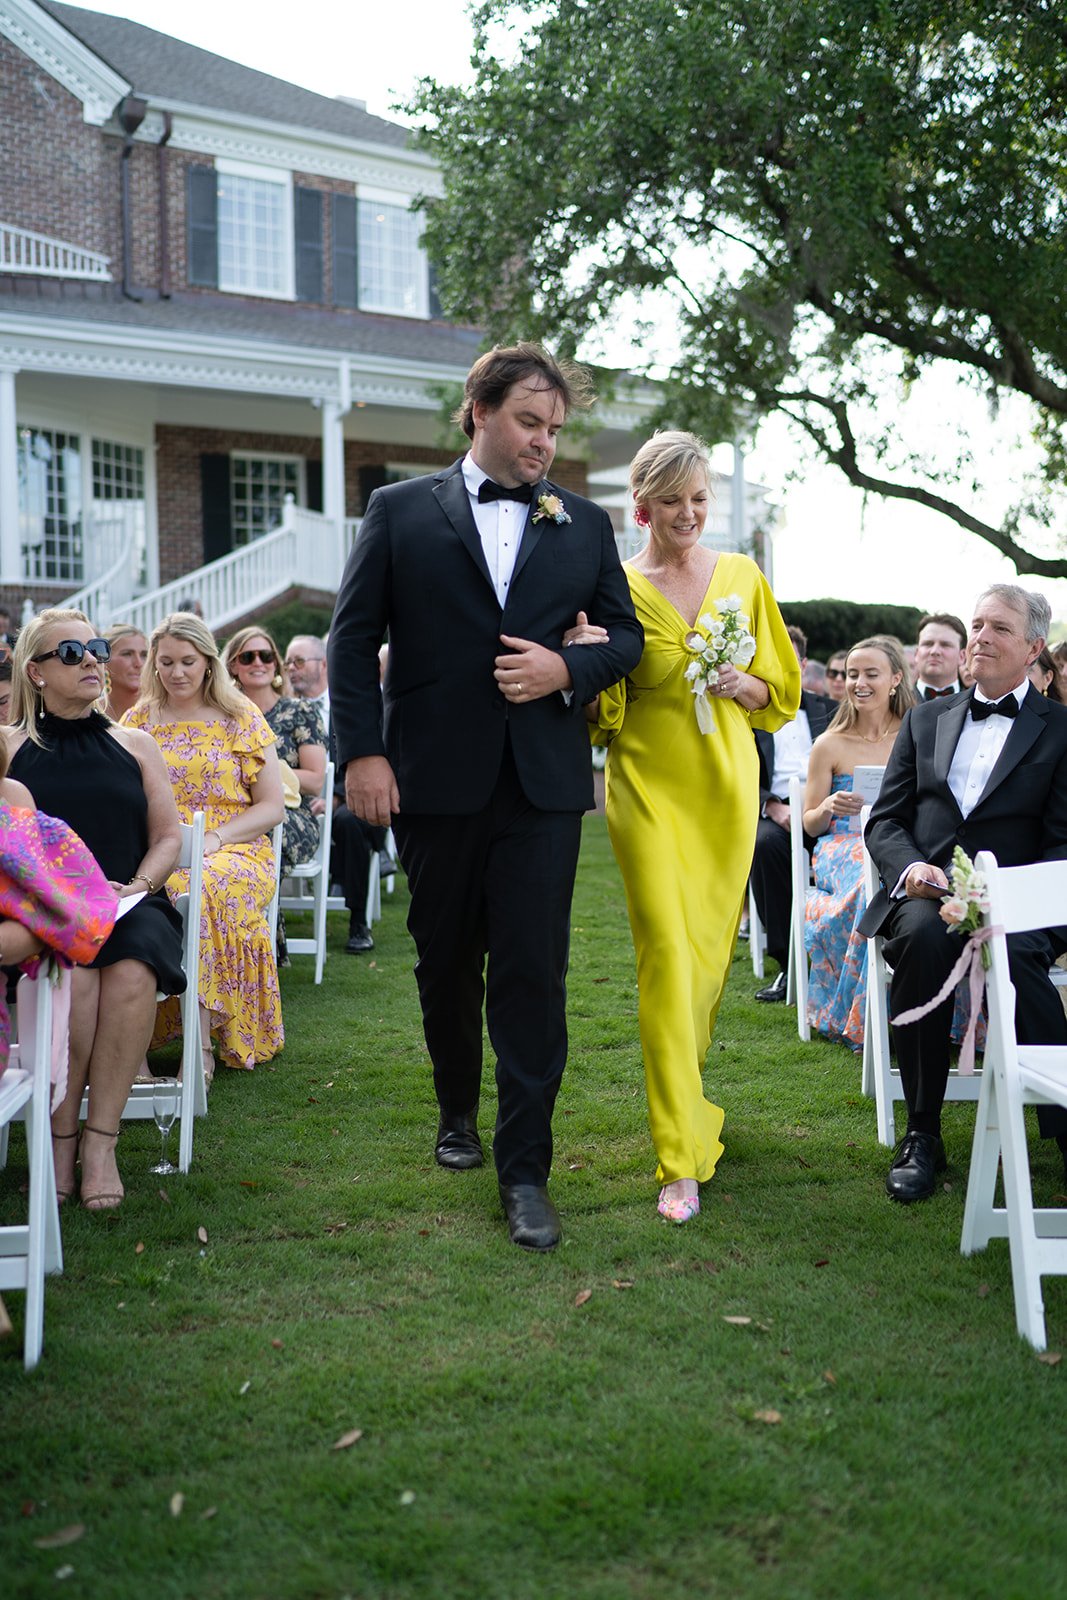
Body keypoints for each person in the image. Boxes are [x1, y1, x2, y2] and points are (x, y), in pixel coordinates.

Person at [328, 341, 644, 1251]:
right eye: (527, 422)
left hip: (542, 788)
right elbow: (352, 645)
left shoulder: (582, 524)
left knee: (533, 976)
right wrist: (364, 757)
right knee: (443, 961)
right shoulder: (397, 511)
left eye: (553, 427)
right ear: (478, 412)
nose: (543, 442)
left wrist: (564, 667)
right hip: (431, 779)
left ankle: (526, 1173)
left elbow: (624, 639)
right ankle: (455, 1111)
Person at [589, 430, 799, 1223]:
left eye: (699, 499)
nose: (688, 513)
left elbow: (777, 689)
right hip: (644, 783)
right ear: (641, 506)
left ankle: (692, 1104)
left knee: (707, 963)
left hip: (724, 785)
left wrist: (742, 682)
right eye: (672, 500)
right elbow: (604, 711)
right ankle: (678, 1157)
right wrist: (587, 660)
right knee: (667, 957)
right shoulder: (615, 585)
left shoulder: (742, 577)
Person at [860, 585, 1067, 1202]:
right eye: (976, 624)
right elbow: (886, 821)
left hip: (1018, 898)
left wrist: (1009, 897)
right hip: (926, 891)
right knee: (923, 937)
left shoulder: (1060, 730)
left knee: (1017, 956)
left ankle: (1060, 1127)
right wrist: (912, 870)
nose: (980, 636)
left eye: (998, 628)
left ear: (1033, 647)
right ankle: (923, 1133)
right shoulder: (926, 719)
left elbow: (1062, 841)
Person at [7, 609, 185, 1209]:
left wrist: (135, 886)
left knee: (134, 972)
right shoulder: (8, 749)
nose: (91, 660)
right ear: (34, 673)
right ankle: (60, 1142)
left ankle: (101, 1143)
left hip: (130, 902)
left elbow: (167, 836)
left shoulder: (134, 743)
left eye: (96, 648)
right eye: (71, 653)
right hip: (44, 916)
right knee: (73, 981)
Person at [125, 613, 285, 1075]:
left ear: (209, 663)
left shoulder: (240, 716)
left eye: (188, 662)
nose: (177, 672)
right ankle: (150, 1044)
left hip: (236, 846)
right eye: (167, 662)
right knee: (160, 889)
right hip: (161, 847)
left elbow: (271, 807)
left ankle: (202, 1047)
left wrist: (213, 839)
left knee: (206, 885)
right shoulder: (137, 721)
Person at [802, 637, 914, 1046]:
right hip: (841, 846)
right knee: (867, 881)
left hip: (899, 841)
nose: (859, 682)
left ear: (895, 679)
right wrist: (830, 804)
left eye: (871, 674)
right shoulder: (828, 744)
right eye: (852, 674)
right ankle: (861, 1016)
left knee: (896, 877)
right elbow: (811, 825)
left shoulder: (914, 734)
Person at [750, 624, 835, 1002]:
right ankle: (789, 963)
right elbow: (739, 769)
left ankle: (841, 957)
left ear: (802, 663)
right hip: (778, 810)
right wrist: (771, 805)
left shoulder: (831, 710)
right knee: (764, 845)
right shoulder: (748, 714)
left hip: (831, 808)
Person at [223, 626, 326, 874]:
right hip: (235, 809)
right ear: (233, 666)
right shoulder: (224, 715)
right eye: (247, 657)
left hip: (291, 814)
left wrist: (262, 773)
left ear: (275, 664)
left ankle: (265, 912)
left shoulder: (301, 711)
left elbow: (314, 780)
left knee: (261, 828)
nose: (258, 662)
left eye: (266, 656)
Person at [912, 612, 966, 700]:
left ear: (962, 656)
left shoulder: (976, 704)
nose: (934, 651)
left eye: (945, 645)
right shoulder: (893, 704)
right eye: (928, 644)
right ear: (916, 653)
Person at [102, 623, 149, 721]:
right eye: (127, 654)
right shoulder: (89, 712)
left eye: (144, 655)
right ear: (104, 660)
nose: (138, 663)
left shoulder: (162, 712)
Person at [285, 635, 330, 727]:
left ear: (324, 664)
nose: (291, 667)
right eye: (288, 663)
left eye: (299, 661)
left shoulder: (347, 700)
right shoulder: (287, 714)